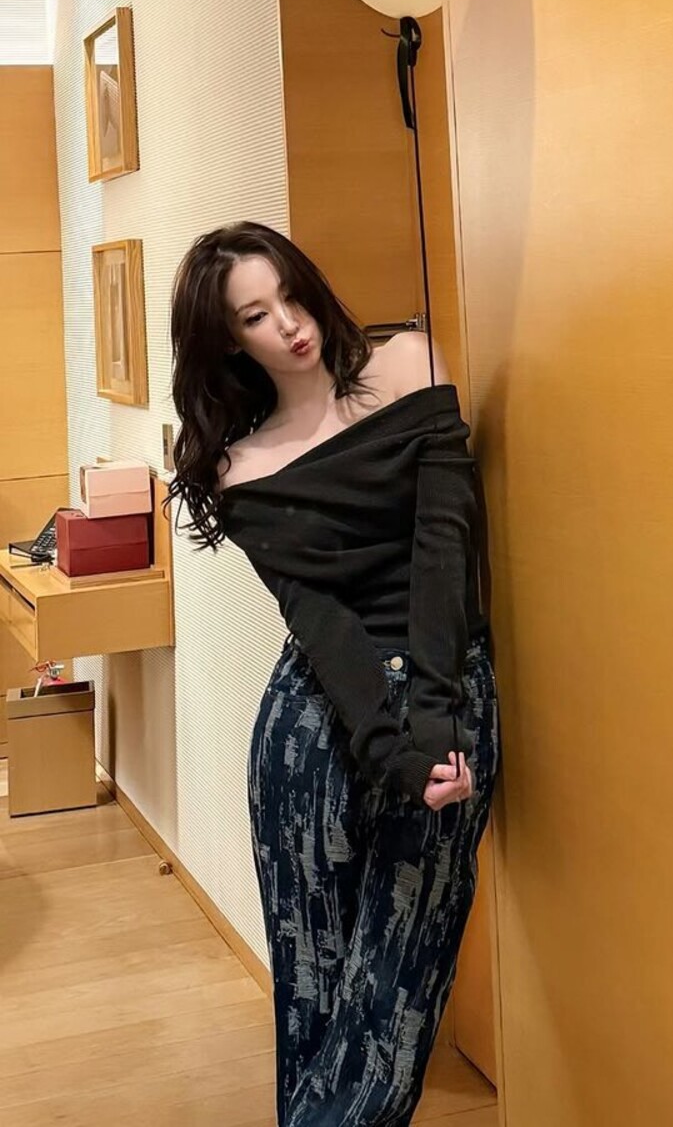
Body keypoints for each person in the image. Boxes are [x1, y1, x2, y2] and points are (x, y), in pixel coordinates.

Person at [163, 220, 501, 1127]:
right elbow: (319, 621)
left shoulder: (408, 366)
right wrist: (385, 747)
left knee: (395, 994)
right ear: (229, 342)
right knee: (311, 989)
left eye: (289, 295)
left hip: (442, 689)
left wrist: (431, 726)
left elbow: (444, 550)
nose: (289, 325)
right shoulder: (238, 467)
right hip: (314, 720)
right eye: (255, 317)